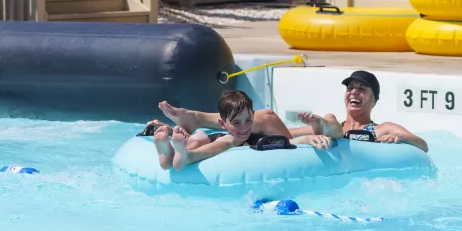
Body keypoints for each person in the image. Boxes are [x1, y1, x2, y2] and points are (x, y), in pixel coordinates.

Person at [153, 70, 429, 153]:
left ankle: (195, 118)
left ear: (374, 99)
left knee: (273, 118)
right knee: (264, 119)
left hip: (337, 135)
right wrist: (315, 131)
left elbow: (424, 146)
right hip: (322, 132)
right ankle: (187, 127)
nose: (354, 92)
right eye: (350, 88)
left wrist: (402, 139)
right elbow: (304, 136)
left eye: (362, 89)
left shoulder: (382, 128)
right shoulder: (328, 123)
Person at [150, 89, 334, 171]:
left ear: (254, 118)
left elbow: (289, 141)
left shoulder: (245, 133)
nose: (244, 127)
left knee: (197, 138)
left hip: (211, 137)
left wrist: (309, 138)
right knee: (211, 140)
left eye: (248, 120)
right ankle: (184, 155)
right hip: (220, 139)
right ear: (223, 124)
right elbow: (289, 141)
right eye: (236, 123)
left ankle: (171, 153)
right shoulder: (232, 138)